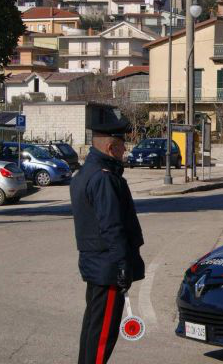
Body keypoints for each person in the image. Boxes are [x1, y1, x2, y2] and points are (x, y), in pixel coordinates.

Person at [70, 116, 145, 364]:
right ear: (111, 148)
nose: (126, 151)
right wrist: (123, 264)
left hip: (96, 263)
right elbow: (112, 225)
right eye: (123, 146)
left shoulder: (87, 172)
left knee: (93, 326)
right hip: (108, 265)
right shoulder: (104, 178)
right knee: (103, 334)